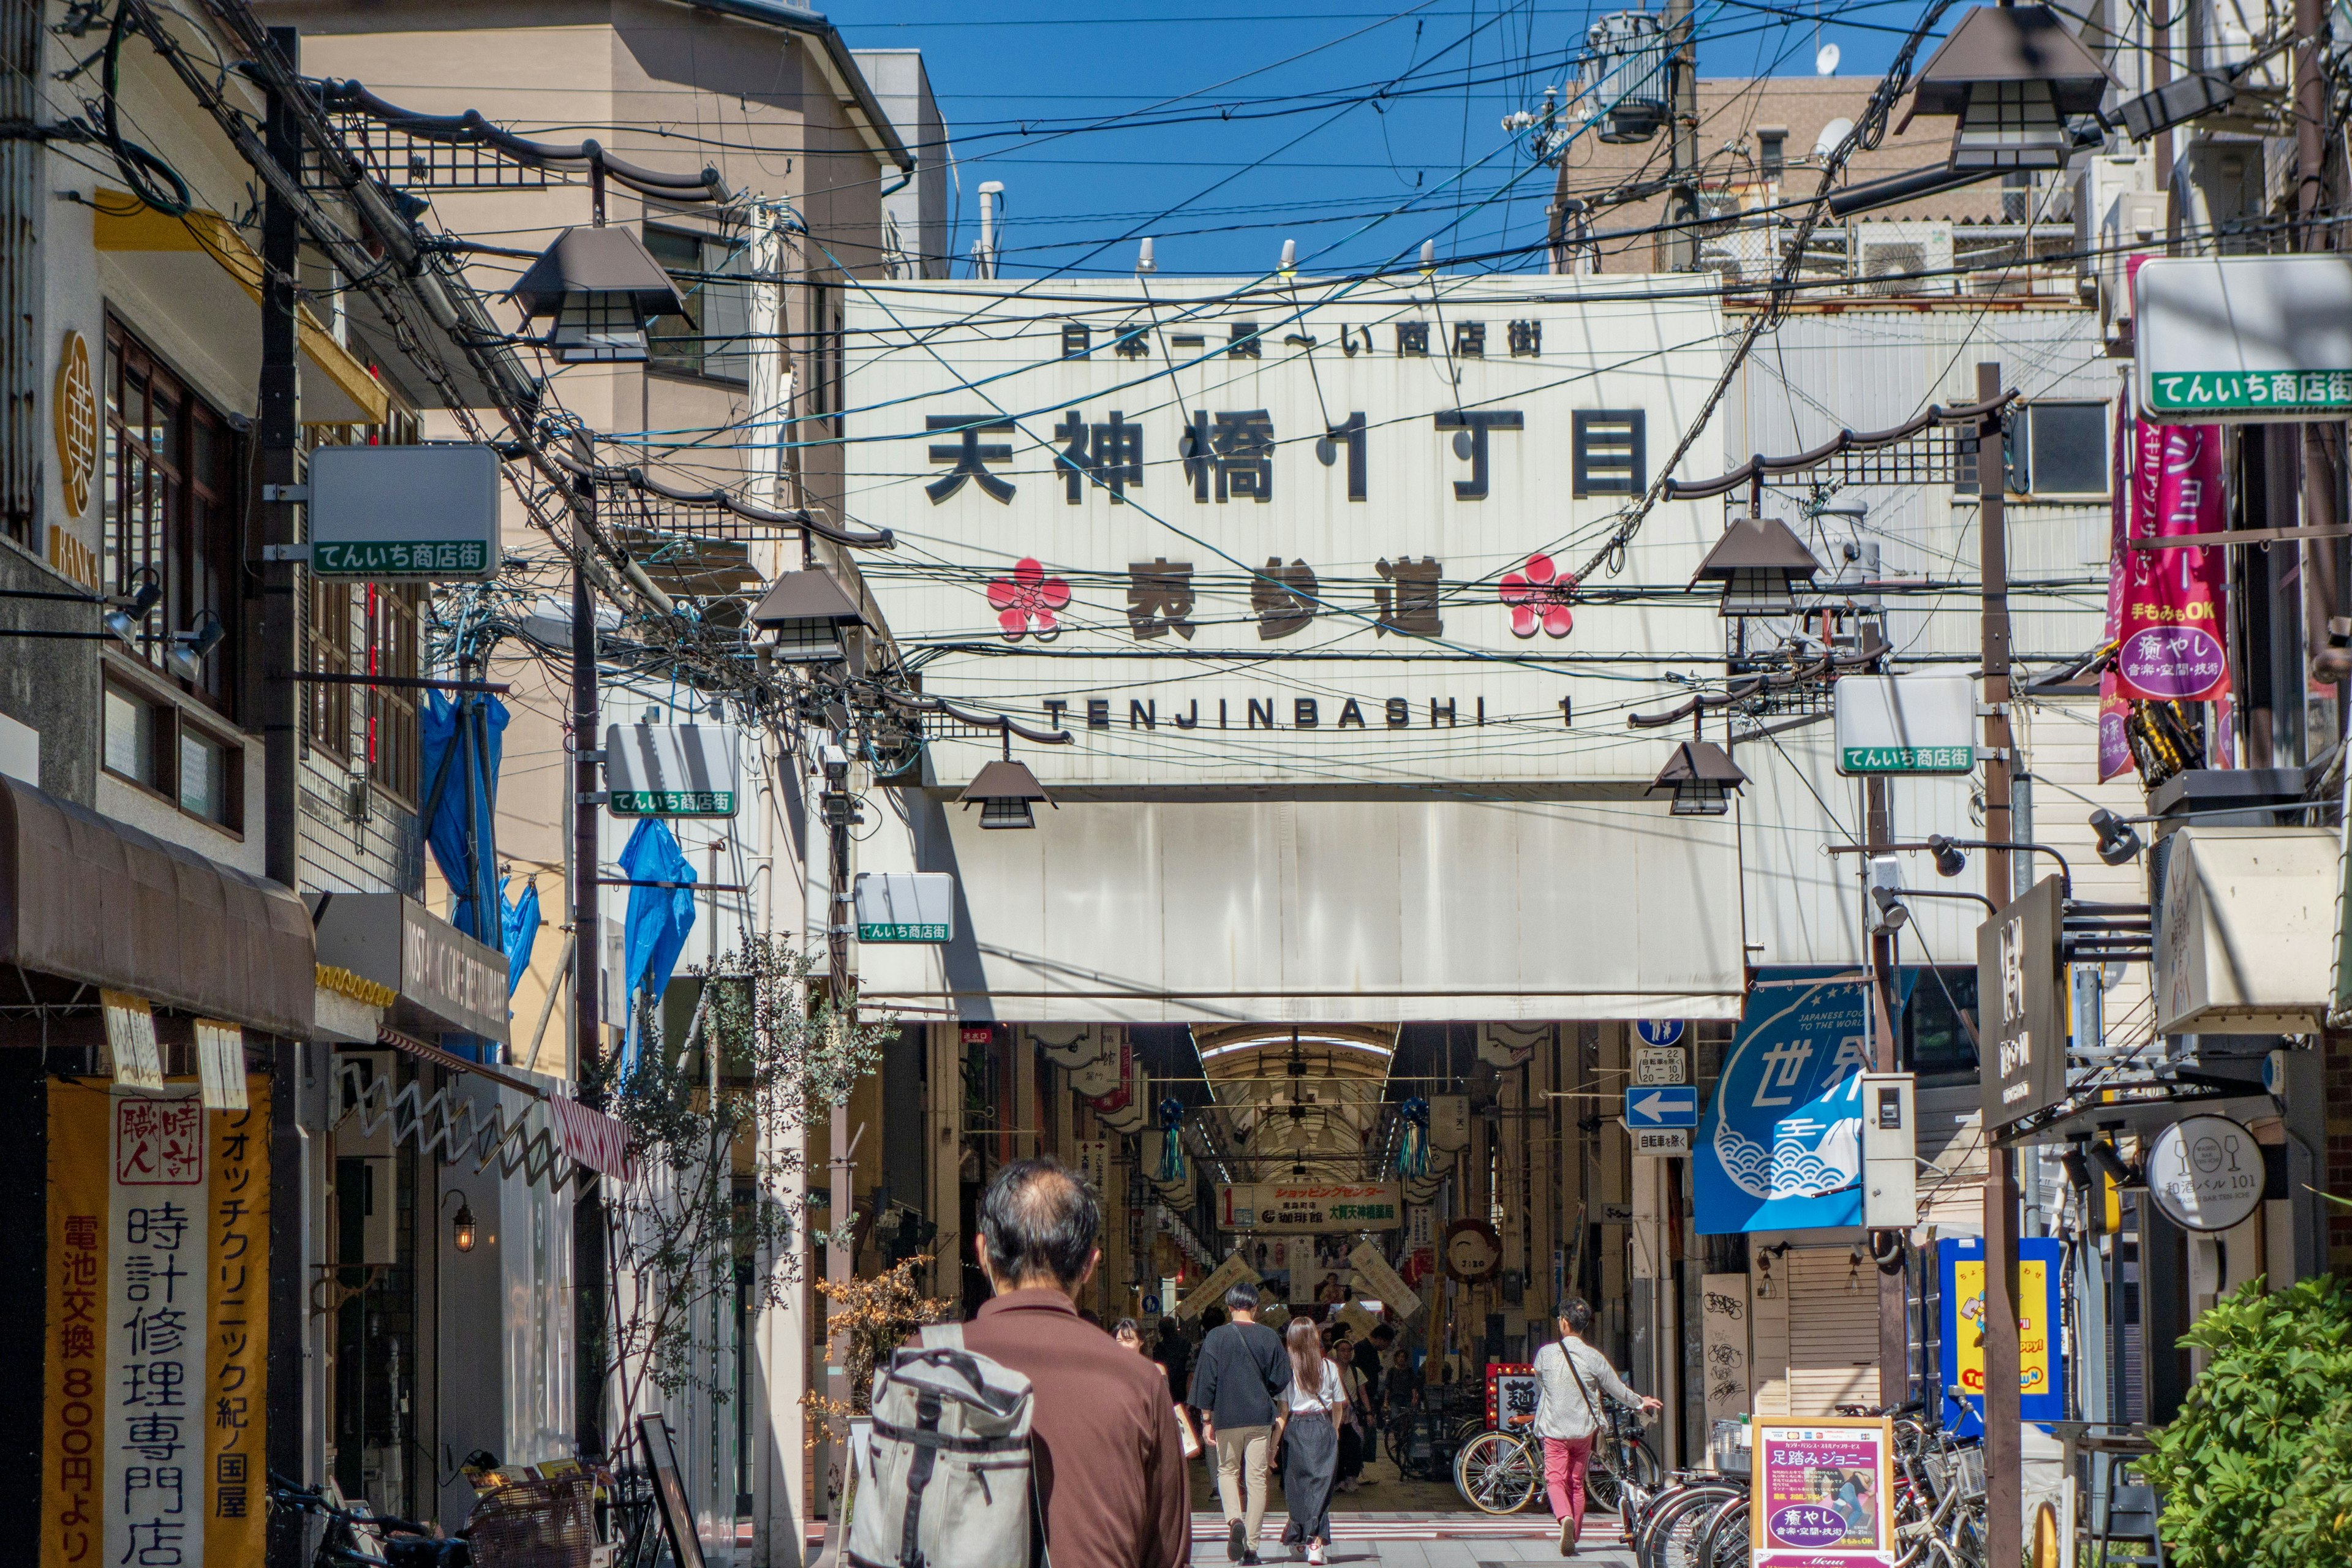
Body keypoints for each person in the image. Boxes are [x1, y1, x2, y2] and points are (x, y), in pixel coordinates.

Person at [931, 1158, 1191, 1568]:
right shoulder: (1139, 1382)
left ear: (982, 1252)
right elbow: (1168, 1553)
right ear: (1091, 1263)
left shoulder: (925, 1364)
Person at [1529, 1298, 1661, 1558]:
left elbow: (1540, 1380)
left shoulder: (1546, 1354)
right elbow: (1617, 1389)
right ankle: (1574, 1534)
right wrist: (1640, 1401)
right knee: (1577, 1482)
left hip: (1555, 1429)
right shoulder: (1593, 1357)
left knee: (1555, 1479)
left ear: (1564, 1323)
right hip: (1584, 1431)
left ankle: (1564, 1518)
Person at [1189, 1282, 1293, 1564]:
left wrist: (1207, 1420)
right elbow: (1281, 1379)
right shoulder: (1269, 1337)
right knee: (1257, 1479)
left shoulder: (1215, 1338)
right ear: (1256, 1307)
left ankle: (1234, 1519)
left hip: (1226, 1417)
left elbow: (1207, 1382)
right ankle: (1252, 1548)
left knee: (1226, 1471)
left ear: (1230, 1306)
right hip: (1259, 1417)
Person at [1273, 1317, 1346, 1566]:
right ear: (1316, 1339)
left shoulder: (1287, 1370)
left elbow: (1282, 1413)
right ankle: (1315, 1543)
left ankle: (1301, 1538)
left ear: (1291, 1341)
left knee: (1297, 1488)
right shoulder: (1330, 1368)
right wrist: (1335, 1430)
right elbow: (1339, 1405)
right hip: (1323, 1426)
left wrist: (1273, 1446)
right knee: (1321, 1489)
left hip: (1296, 1429)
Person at [1330, 1338, 1373, 1493]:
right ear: (1335, 1352)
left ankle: (1352, 1478)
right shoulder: (1330, 1370)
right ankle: (1338, 1479)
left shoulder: (1356, 1371)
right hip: (1335, 1415)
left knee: (1354, 1447)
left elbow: (1363, 1393)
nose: (1346, 1353)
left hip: (1352, 1416)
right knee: (1337, 1448)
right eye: (1342, 1350)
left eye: (1349, 1350)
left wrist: (1369, 1412)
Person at [1152, 1314, 1191, 1405]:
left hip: (1165, 1389)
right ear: (1175, 1328)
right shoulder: (1185, 1344)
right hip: (1183, 1387)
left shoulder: (1158, 1348)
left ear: (1161, 1331)